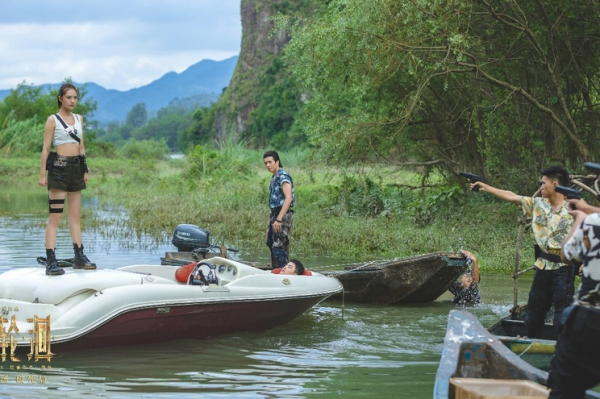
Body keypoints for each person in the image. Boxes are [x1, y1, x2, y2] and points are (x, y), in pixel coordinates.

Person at [470, 166, 574, 337]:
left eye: (543, 183)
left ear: (555, 185)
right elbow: (512, 196)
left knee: (562, 318)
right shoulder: (538, 205)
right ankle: (534, 346)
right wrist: (485, 187)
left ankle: (562, 352)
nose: (541, 187)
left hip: (564, 268)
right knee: (532, 317)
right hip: (542, 267)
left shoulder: (573, 209)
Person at [38, 83, 96, 275]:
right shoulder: (52, 120)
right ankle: (50, 260)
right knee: (55, 217)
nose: (72, 101)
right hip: (59, 169)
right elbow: (46, 148)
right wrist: (42, 174)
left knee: (75, 216)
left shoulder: (79, 119)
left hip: (76, 169)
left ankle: (79, 256)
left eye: (75, 98)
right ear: (60, 98)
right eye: (69, 97)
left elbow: (82, 148)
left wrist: (84, 170)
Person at [547, 205, 600, 398]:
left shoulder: (593, 223)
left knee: (565, 389)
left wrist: (579, 218)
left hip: (591, 321)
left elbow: (567, 255)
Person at [264, 150, 295, 269]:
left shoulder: (283, 176)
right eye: (265, 163)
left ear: (277, 162)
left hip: (282, 215)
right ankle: (276, 270)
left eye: (270, 162)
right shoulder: (274, 177)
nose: (267, 165)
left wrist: (279, 219)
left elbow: (288, 198)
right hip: (275, 215)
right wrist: (270, 225)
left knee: (279, 246)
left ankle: (284, 273)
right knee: (271, 243)